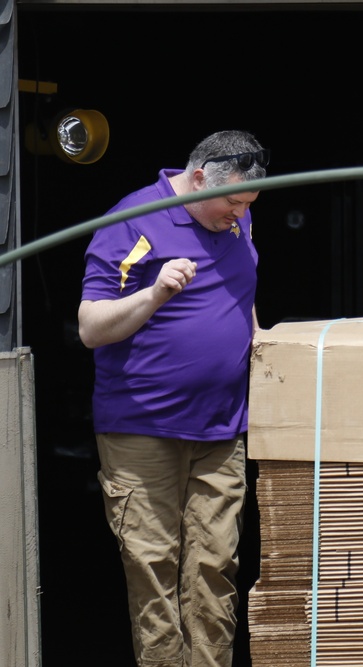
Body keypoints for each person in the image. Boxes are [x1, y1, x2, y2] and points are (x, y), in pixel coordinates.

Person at [77, 130, 269, 667]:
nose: (239, 214)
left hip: (221, 428)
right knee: (154, 571)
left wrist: (260, 342)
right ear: (199, 177)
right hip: (143, 430)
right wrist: (155, 292)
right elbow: (90, 327)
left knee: (215, 568)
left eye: (248, 205)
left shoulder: (237, 217)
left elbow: (241, 292)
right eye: (232, 200)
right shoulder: (133, 220)